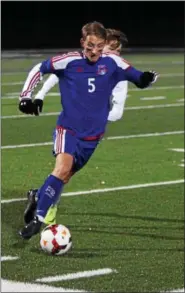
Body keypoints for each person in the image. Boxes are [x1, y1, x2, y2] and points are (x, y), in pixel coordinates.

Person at [18, 21, 158, 240]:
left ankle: (37, 196)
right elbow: (40, 69)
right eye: (90, 45)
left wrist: (147, 79)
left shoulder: (112, 62)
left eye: (99, 46)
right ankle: (40, 219)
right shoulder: (69, 60)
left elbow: (138, 77)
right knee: (62, 169)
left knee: (63, 177)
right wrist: (26, 96)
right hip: (68, 129)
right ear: (83, 42)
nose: (94, 51)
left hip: (92, 137)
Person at [23, 28, 130, 227]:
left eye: (118, 50)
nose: (116, 53)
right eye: (112, 48)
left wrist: (96, 115)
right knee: (63, 168)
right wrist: (39, 96)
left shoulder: (117, 74)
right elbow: (58, 73)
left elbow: (118, 112)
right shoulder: (84, 63)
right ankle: (46, 210)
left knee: (67, 173)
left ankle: (38, 195)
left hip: (93, 133)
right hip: (72, 128)